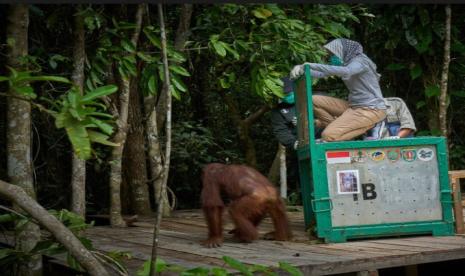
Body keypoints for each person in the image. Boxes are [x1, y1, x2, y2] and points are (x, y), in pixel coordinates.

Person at [290, 38, 386, 142]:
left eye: (332, 54)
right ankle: (334, 130)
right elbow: (322, 73)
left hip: (371, 109)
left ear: (342, 51)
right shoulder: (346, 63)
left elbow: (347, 71)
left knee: (328, 136)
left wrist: (310, 65)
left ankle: (371, 124)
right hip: (353, 107)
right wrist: (302, 70)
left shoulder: (361, 61)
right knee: (313, 100)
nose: (331, 57)